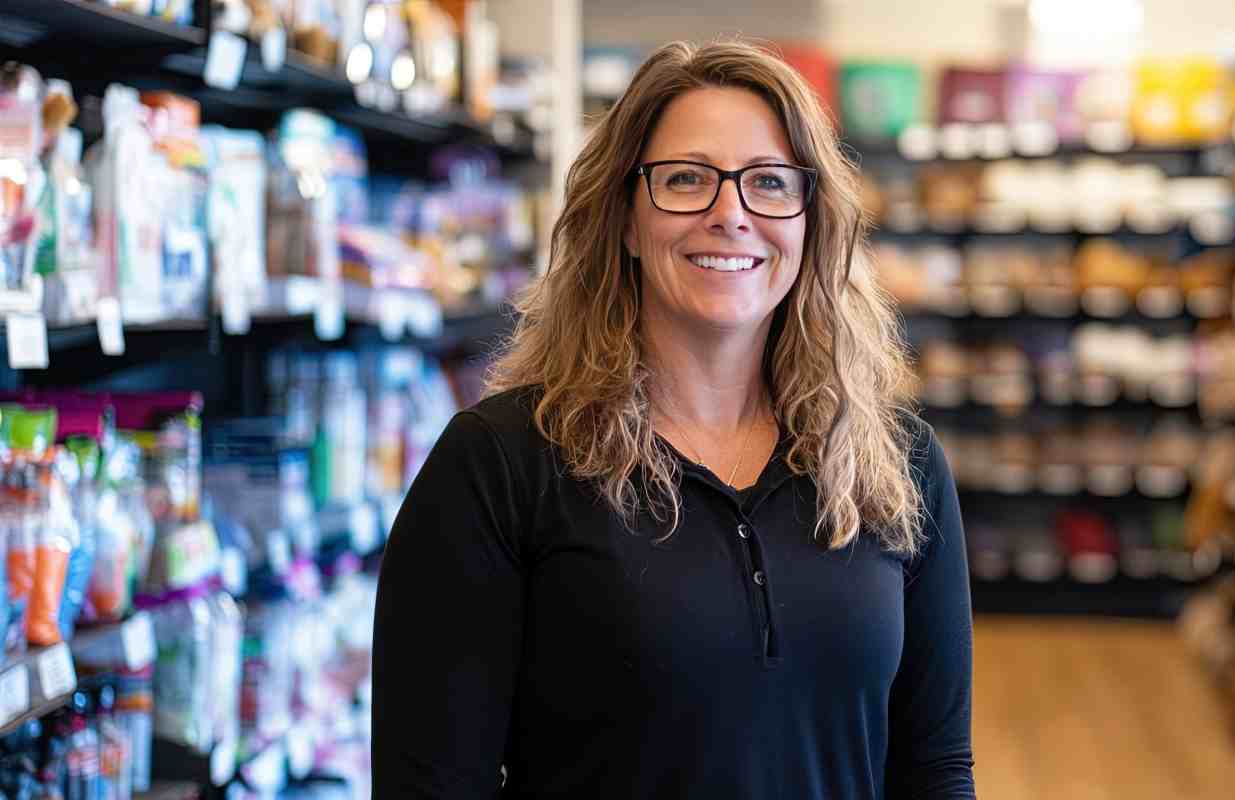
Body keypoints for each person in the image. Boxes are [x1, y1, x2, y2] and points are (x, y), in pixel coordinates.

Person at [371, 39, 975, 799]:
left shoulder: (897, 464)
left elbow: (935, 768)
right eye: (686, 179)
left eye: (769, 182)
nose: (731, 214)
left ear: (811, 222)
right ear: (625, 219)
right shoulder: (500, 464)